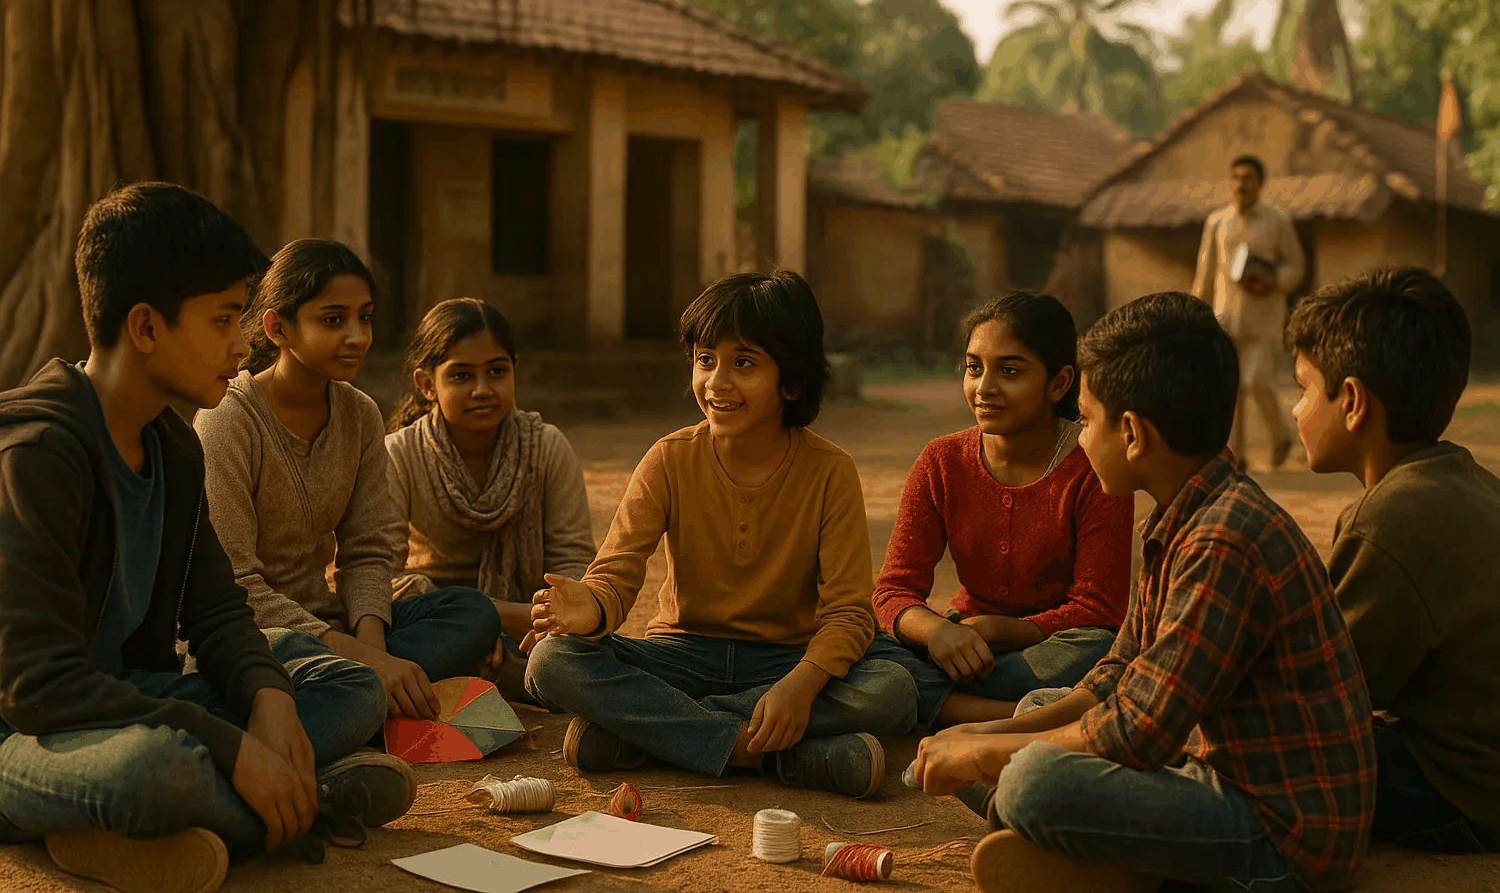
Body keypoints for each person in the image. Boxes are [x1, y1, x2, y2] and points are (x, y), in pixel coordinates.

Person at [0, 184, 415, 893]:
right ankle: (306, 800)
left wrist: (268, 701)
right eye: (225, 318)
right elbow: (37, 687)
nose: (243, 342)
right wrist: (228, 744)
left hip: (131, 698)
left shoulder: (172, 442)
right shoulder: (36, 451)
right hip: (25, 730)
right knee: (155, 771)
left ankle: (174, 823)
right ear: (146, 327)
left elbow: (218, 609)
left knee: (345, 685)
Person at [911, 292, 1376, 893]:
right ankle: (1113, 863)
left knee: (1033, 781)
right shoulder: (1185, 513)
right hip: (1212, 773)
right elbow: (1115, 677)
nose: (1079, 439)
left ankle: (1124, 868)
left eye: (1086, 420)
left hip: (1281, 834)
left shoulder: (1223, 539)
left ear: (1130, 433)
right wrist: (984, 735)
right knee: (1030, 719)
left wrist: (983, 757)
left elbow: (1137, 730)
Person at [523, 270, 916, 798]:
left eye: (744, 363)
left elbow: (848, 612)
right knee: (552, 661)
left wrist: (800, 686)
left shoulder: (830, 470)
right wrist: (588, 609)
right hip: (682, 656)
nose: (717, 382)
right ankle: (765, 756)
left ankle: (648, 736)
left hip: (785, 658)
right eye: (705, 360)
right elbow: (615, 575)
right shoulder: (669, 457)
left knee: (891, 689)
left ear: (792, 380)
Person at [196, 240, 502, 721]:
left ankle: (358, 701)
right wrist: (366, 662)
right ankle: (348, 710)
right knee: (350, 687)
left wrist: (373, 650)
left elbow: (366, 552)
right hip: (258, 633)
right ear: (278, 328)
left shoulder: (359, 414)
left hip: (333, 624)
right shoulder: (227, 421)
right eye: (333, 320)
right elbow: (233, 586)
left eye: (366, 317)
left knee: (470, 612)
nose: (358, 336)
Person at [1288, 266, 1500, 854]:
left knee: (1260, 740)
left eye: (1301, 387)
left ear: (1351, 402)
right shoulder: (1467, 477)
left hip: (1470, 794)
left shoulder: (1392, 518)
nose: (1295, 410)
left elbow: (1316, 700)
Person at [865, 291, 1133, 728]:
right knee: (868, 646)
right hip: (964, 644)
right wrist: (938, 633)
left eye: (1009, 371)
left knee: (1100, 649)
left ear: (1059, 383)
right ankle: (1030, 714)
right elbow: (893, 592)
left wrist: (1007, 630)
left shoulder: (1093, 465)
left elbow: (1098, 608)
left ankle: (943, 707)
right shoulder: (942, 461)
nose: (984, 388)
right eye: (974, 367)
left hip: (1053, 645)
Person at [385, 298, 596, 702]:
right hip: (434, 619)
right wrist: (478, 618)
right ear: (427, 384)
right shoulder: (399, 455)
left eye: (497, 372)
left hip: (530, 623)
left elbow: (572, 565)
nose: (482, 390)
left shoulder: (546, 448)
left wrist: (537, 617)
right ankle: (507, 676)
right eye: (461, 375)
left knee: (584, 647)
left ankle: (506, 673)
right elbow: (379, 574)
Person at [1192, 154, 1306, 473]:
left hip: (1264, 317)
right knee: (1231, 389)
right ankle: (1236, 456)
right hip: (1224, 317)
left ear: (1260, 184)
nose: (1242, 183)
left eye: (1249, 178)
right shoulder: (1217, 222)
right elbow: (1205, 272)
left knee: (1256, 380)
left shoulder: (1277, 222)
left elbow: (1296, 266)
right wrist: (1195, 310)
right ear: (1230, 181)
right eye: (1237, 177)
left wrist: (1273, 281)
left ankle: (1282, 435)